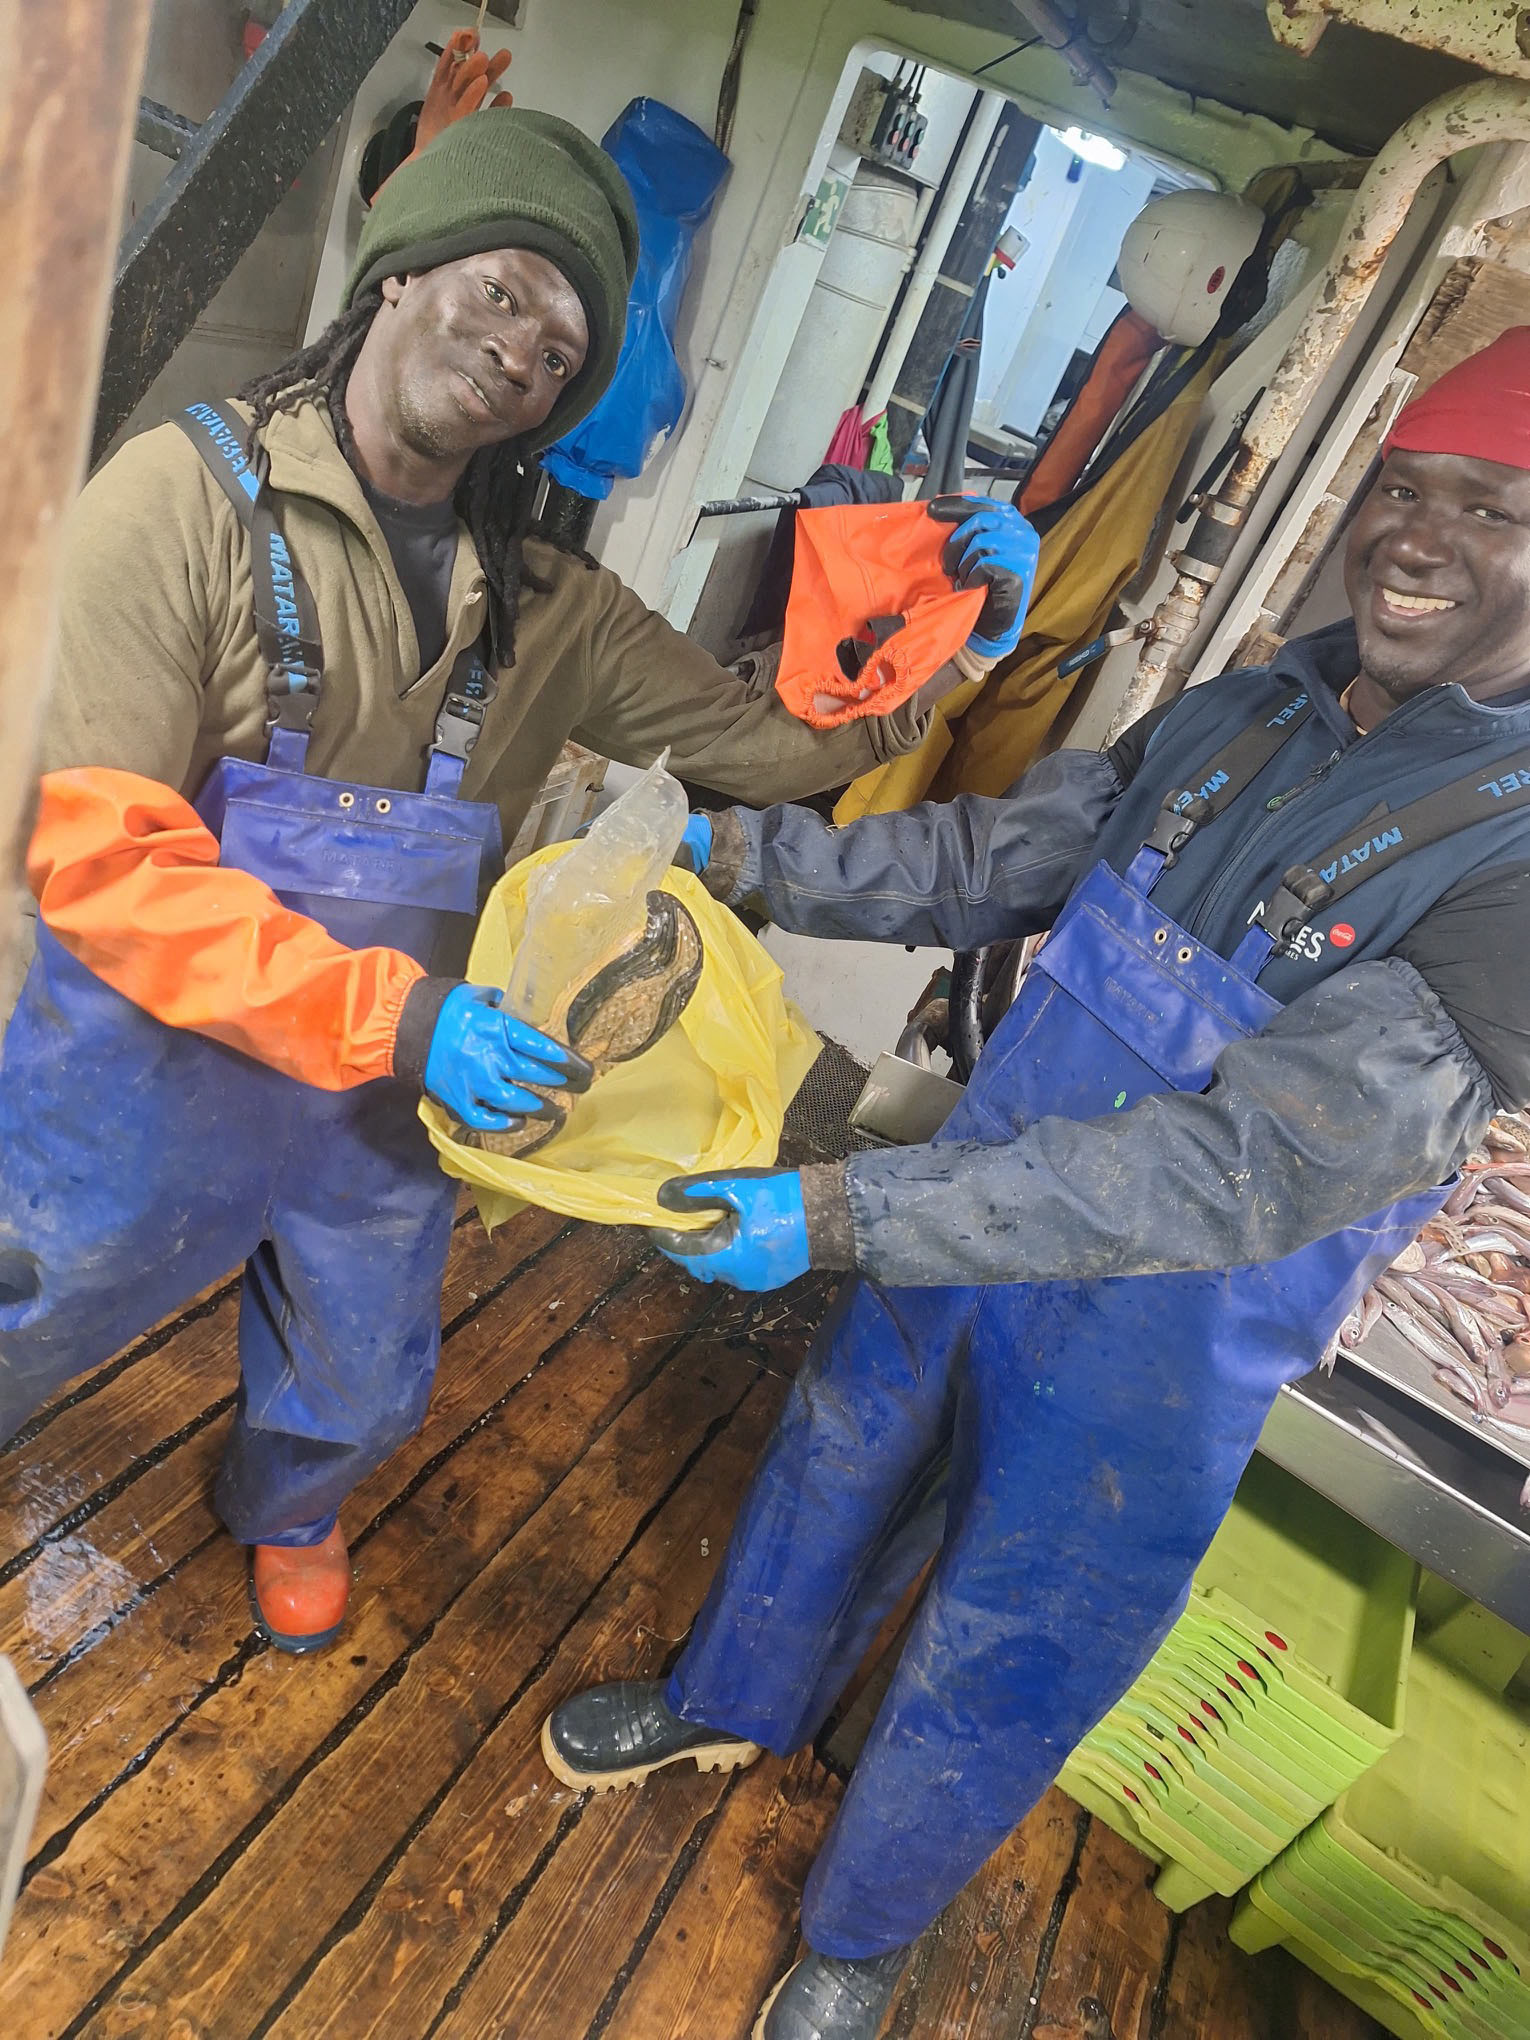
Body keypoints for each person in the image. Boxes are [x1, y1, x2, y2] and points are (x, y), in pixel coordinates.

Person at [542, 327, 1530, 2040]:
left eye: (1489, 508)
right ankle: (728, 1701)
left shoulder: (1509, 853)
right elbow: (1001, 857)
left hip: (1166, 1326)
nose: (1416, 536)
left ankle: (863, 1922)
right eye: (1398, 488)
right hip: (976, 1210)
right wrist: (738, 849)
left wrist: (844, 1213)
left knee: (1025, 1619)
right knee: (837, 1449)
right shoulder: (1244, 711)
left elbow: (1247, 1167)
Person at [0, 104, 1036, 1655]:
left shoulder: (553, 603)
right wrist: (398, 1017)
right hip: (156, 1054)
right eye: (500, 292)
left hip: (392, 1090)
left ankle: (290, 1500)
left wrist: (940, 646)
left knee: (362, 1361)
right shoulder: (179, 504)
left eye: (559, 352)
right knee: (34, 1287)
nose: (518, 353)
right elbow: (101, 856)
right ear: (401, 273)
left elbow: (769, 746)